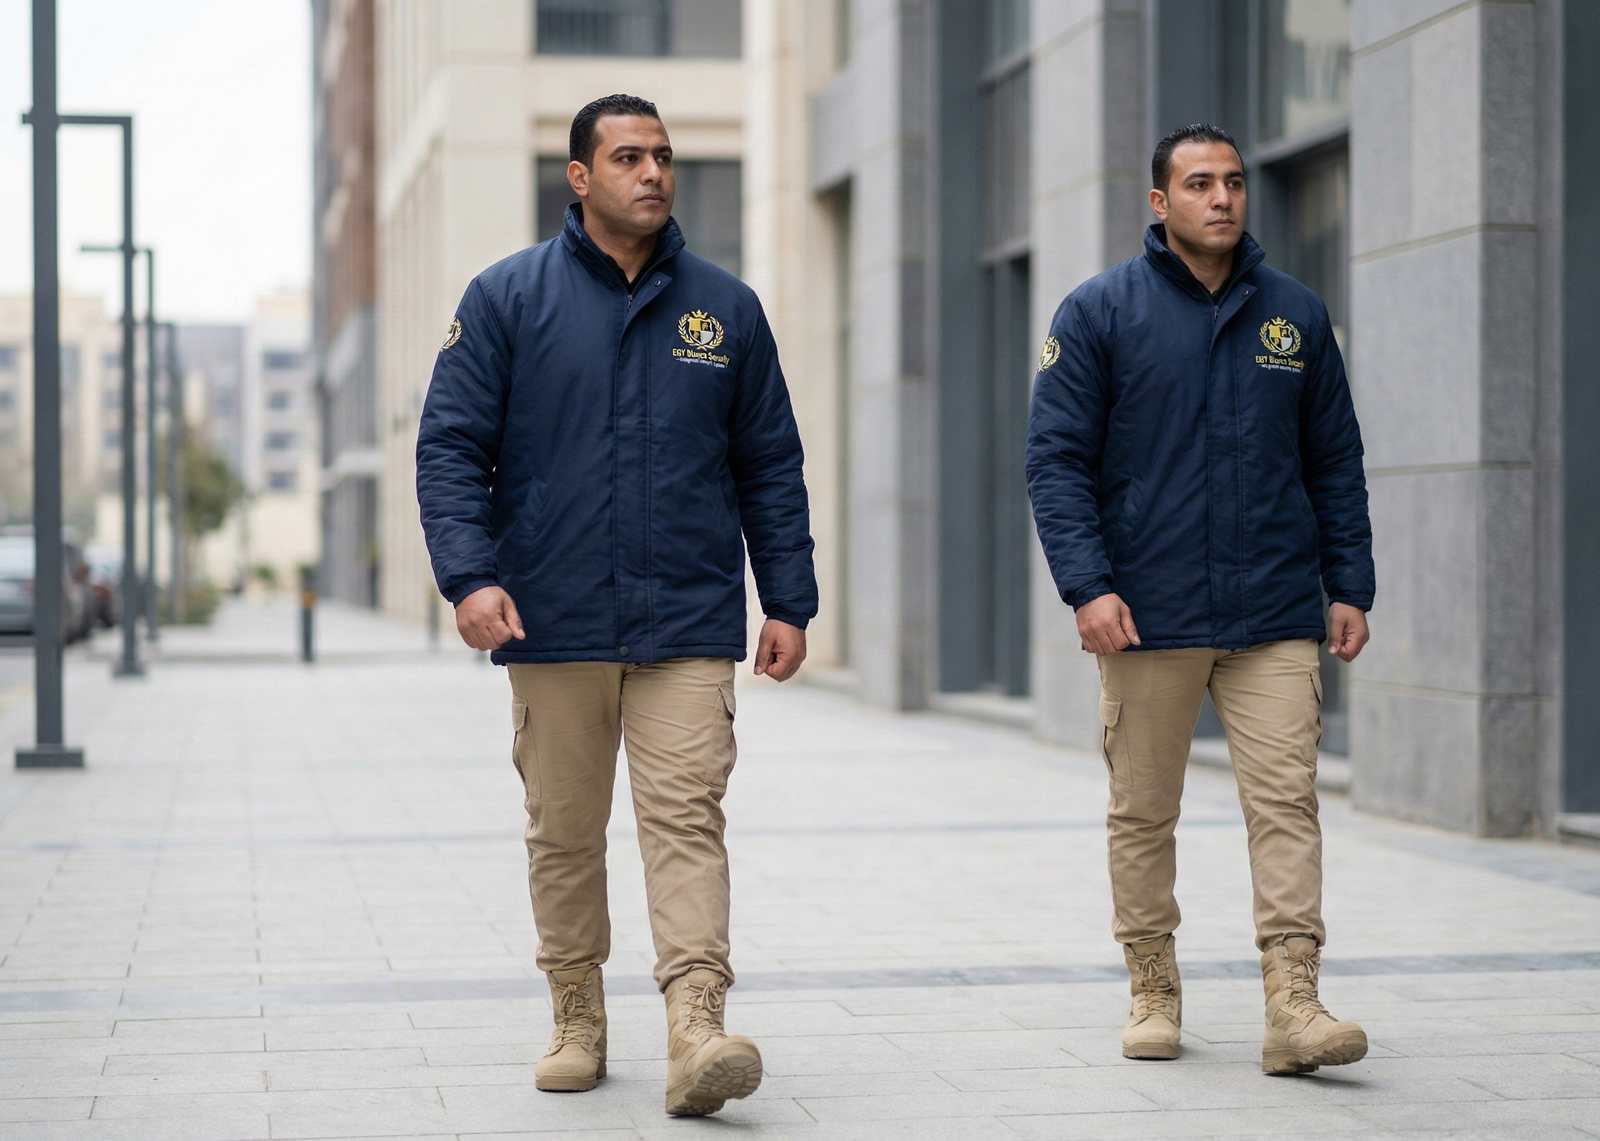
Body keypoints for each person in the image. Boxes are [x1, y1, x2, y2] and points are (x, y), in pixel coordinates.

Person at [416, 93, 817, 1117]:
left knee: (687, 815)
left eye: (665, 157)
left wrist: (789, 598)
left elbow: (768, 462)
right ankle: (577, 1012)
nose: (653, 173)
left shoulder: (724, 309)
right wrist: (470, 576)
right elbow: (451, 447)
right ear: (581, 178)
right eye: (629, 157)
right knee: (563, 829)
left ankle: (696, 1023)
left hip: (684, 619)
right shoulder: (508, 298)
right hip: (549, 617)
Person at [1026, 123, 1375, 1076]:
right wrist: (1088, 585)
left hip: (1274, 610)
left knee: (1287, 803)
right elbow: (1055, 463)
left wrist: (1350, 583)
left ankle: (1293, 1004)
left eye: (1232, 182)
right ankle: (1152, 986)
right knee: (1143, 810)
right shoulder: (1098, 312)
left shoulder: (1294, 316)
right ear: (1159, 202)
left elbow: (1334, 460)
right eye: (1198, 184)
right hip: (1148, 610)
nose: (1220, 198)